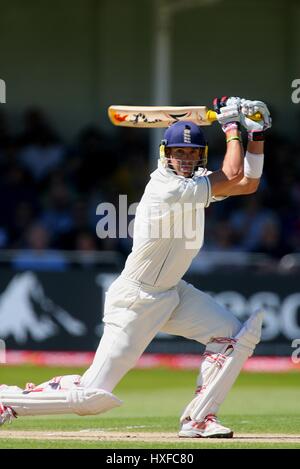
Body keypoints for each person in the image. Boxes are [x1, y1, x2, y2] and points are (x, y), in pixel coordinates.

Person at [0, 97, 272, 438]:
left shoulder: (194, 181)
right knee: (90, 397)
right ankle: (8, 400)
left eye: (191, 154)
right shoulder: (167, 187)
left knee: (235, 336)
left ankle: (198, 419)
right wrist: (233, 127)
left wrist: (257, 134)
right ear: (166, 154)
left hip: (172, 292)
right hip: (137, 299)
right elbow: (232, 173)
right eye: (179, 153)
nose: (186, 160)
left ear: (200, 157)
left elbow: (247, 183)